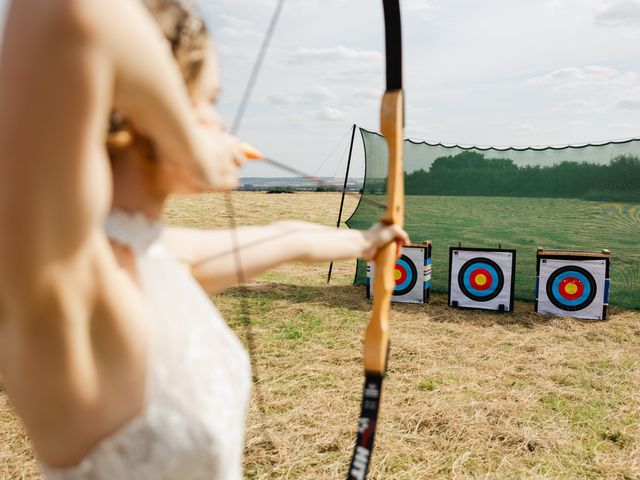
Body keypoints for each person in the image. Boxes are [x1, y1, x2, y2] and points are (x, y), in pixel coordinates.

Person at [0, 0, 408, 478]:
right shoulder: (69, 276)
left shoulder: (154, 256)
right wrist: (193, 148)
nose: (220, 125)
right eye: (208, 102)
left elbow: (286, 238)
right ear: (140, 108)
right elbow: (58, 12)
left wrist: (369, 241)